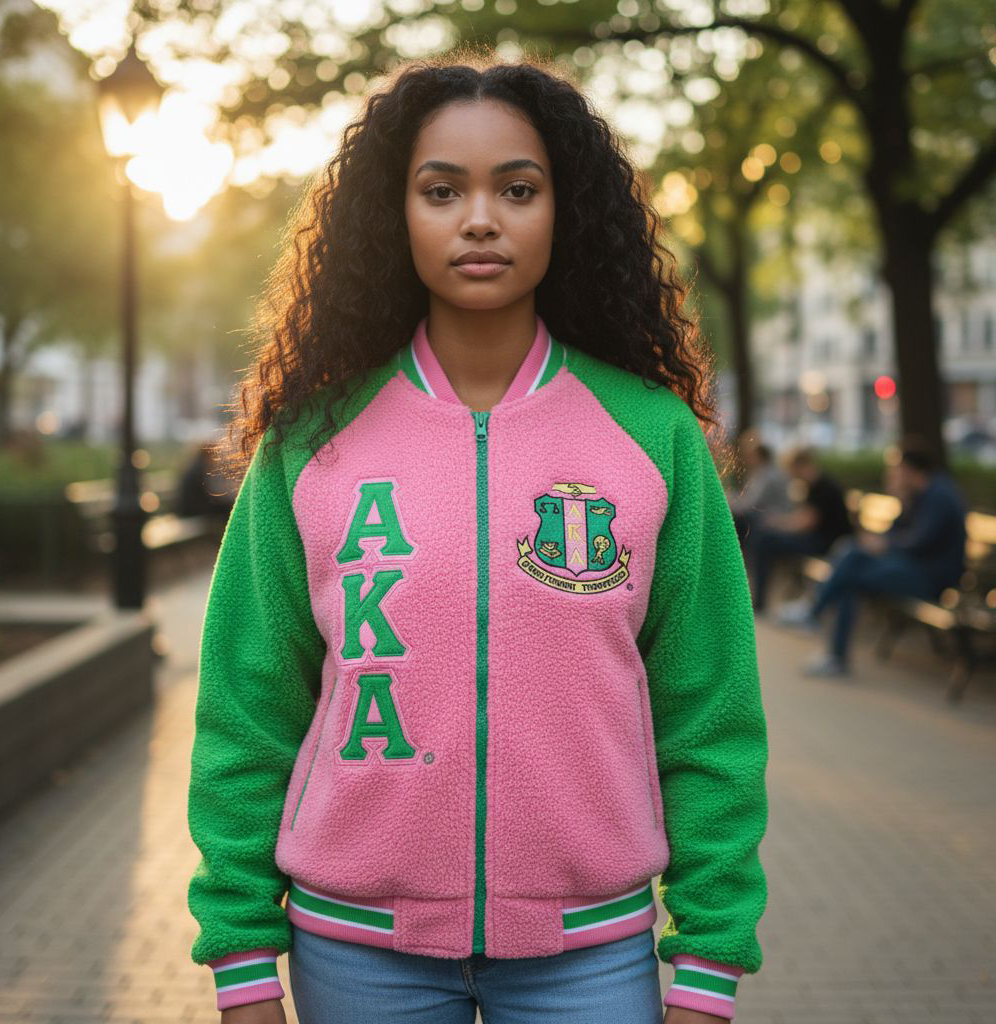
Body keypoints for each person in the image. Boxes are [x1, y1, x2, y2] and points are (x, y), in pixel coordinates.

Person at [186, 55, 768, 1024]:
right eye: (441, 189)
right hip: (354, 949)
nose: (481, 218)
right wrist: (242, 954)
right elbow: (248, 705)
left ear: (562, 211)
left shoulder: (653, 436)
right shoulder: (310, 441)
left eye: (518, 188)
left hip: (591, 953)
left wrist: (709, 958)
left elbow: (708, 711)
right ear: (395, 213)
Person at [774, 440, 968, 677]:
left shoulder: (939, 495)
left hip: (932, 577)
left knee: (851, 574)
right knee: (851, 552)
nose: (892, 473)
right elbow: (899, 533)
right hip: (911, 568)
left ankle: (818, 621)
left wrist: (884, 544)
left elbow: (919, 542)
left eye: (896, 468)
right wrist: (886, 529)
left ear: (908, 469)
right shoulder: (919, 494)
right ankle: (821, 630)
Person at [747, 444, 852, 612]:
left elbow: (806, 523)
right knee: (764, 535)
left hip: (827, 544)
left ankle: (759, 601)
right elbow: (803, 517)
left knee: (765, 539)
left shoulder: (824, 486)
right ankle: (758, 599)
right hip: (819, 539)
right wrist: (778, 522)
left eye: (793, 470)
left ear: (800, 466)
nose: (792, 476)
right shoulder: (816, 484)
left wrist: (778, 525)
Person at [726, 433, 792, 556]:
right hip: (770, 516)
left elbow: (750, 503)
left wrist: (727, 502)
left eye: (750, 455)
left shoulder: (767, 475)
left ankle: (736, 558)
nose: (746, 459)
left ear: (759, 456)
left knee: (737, 522)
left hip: (774, 518)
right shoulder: (767, 472)